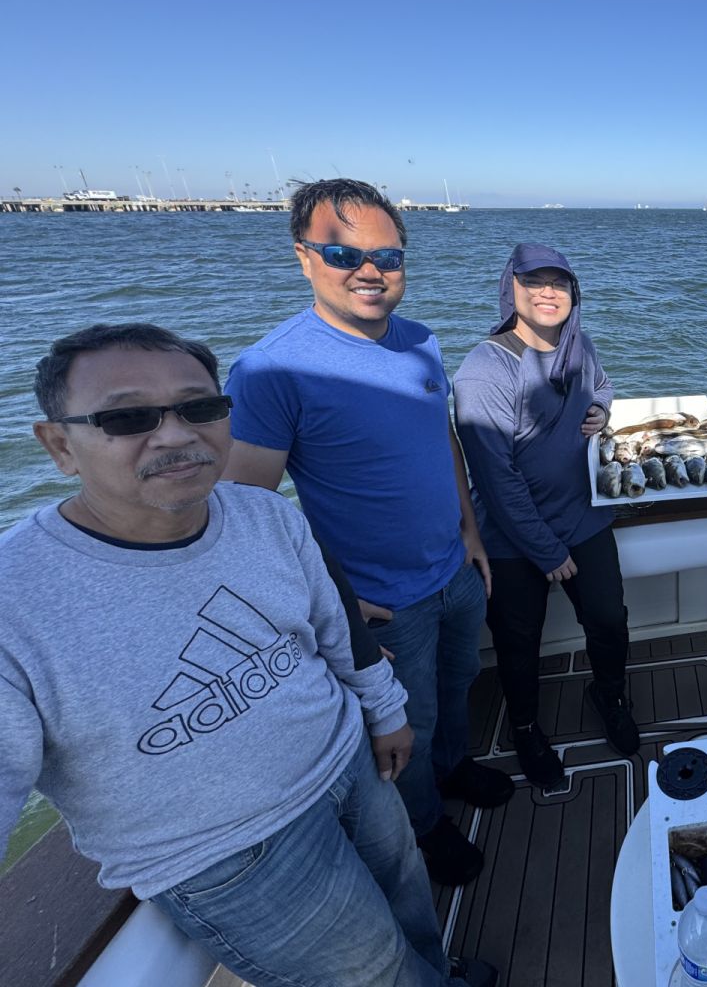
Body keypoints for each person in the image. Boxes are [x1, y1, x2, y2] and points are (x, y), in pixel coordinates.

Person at [1, 324, 494, 986]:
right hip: (231, 852)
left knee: (411, 904)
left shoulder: (265, 516)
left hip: (350, 763)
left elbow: (333, 624)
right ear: (60, 444)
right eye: (128, 417)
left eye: (199, 407)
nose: (174, 435)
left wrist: (385, 713)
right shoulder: (16, 600)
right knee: (373, 972)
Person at [222, 179, 510, 887]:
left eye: (388, 256)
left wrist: (471, 531)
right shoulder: (271, 369)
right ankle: (425, 826)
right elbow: (245, 514)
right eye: (344, 255)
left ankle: (454, 768)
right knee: (406, 719)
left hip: (453, 568)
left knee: (459, 682)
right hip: (379, 599)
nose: (370, 271)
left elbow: (443, 441)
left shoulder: (420, 341)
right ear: (304, 257)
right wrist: (332, 605)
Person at [453, 243, 638, 790]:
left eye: (560, 283)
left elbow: (601, 385)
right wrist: (545, 549)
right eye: (534, 281)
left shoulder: (581, 346)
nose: (548, 292)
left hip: (582, 517)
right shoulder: (485, 370)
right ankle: (526, 728)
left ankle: (608, 694)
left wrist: (600, 409)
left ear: (574, 294)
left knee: (608, 618)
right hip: (512, 534)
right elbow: (496, 478)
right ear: (509, 288)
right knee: (518, 642)